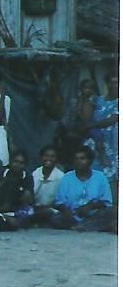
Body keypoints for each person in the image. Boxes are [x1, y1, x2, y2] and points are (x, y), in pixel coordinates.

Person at [52, 146, 116, 232]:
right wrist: (67, 212)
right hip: (73, 215)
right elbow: (60, 202)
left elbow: (106, 202)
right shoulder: (66, 177)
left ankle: (83, 226)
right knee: (55, 218)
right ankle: (87, 226)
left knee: (113, 212)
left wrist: (90, 206)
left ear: (90, 161)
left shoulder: (100, 177)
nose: (79, 161)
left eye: (82, 158)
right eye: (76, 159)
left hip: (93, 213)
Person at [87, 70, 119, 201]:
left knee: (114, 173)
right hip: (97, 141)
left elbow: (112, 120)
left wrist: (90, 126)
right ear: (106, 84)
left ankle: (114, 204)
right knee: (96, 172)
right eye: (111, 82)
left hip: (114, 142)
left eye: (117, 83)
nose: (114, 85)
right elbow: (87, 116)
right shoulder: (98, 101)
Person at [31, 145, 65, 226]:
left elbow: (61, 200)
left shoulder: (61, 176)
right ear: (41, 157)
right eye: (46, 156)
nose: (49, 159)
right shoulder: (35, 174)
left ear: (56, 159)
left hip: (52, 209)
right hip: (36, 207)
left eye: (52, 156)